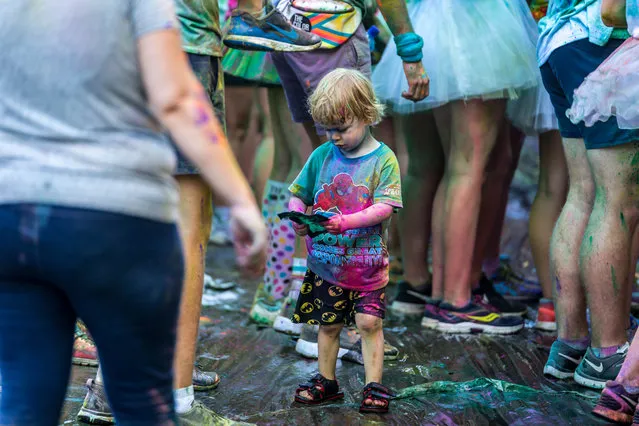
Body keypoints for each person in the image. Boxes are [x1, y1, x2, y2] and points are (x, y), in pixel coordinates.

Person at [0, 1, 266, 424]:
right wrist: (240, 199)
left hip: (14, 217)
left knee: (22, 403)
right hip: (112, 221)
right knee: (142, 404)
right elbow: (176, 99)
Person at [373, 0, 538, 333]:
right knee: (466, 168)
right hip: (473, 31)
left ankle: (422, 287)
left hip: (420, 27)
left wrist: (407, 45)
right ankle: (456, 301)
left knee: (427, 167)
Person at [287, 69, 402, 413]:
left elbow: (386, 206)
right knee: (329, 323)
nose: (334, 137)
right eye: (328, 130)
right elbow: (298, 192)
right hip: (327, 264)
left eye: (341, 128)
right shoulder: (321, 155)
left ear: (367, 114)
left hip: (366, 265)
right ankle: (327, 381)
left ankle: (373, 385)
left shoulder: (384, 160)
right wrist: (297, 215)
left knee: (369, 323)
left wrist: (345, 222)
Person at [537, 0, 637, 390]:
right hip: (598, 46)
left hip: (560, 44)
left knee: (584, 193)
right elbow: (614, 10)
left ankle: (571, 344)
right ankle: (607, 352)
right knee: (619, 202)